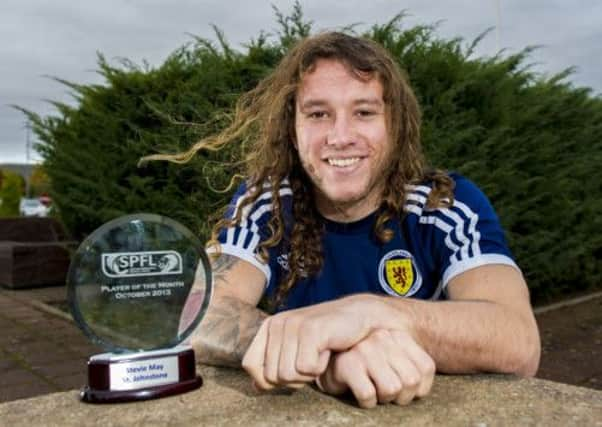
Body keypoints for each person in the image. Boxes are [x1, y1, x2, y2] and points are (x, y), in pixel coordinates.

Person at [157, 32, 541, 409]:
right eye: (318, 114)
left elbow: (518, 340)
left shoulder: (445, 204)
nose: (340, 137)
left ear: (396, 125)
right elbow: (196, 315)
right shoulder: (266, 202)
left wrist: (370, 315)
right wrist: (322, 350)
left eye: (364, 112)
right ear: (293, 130)